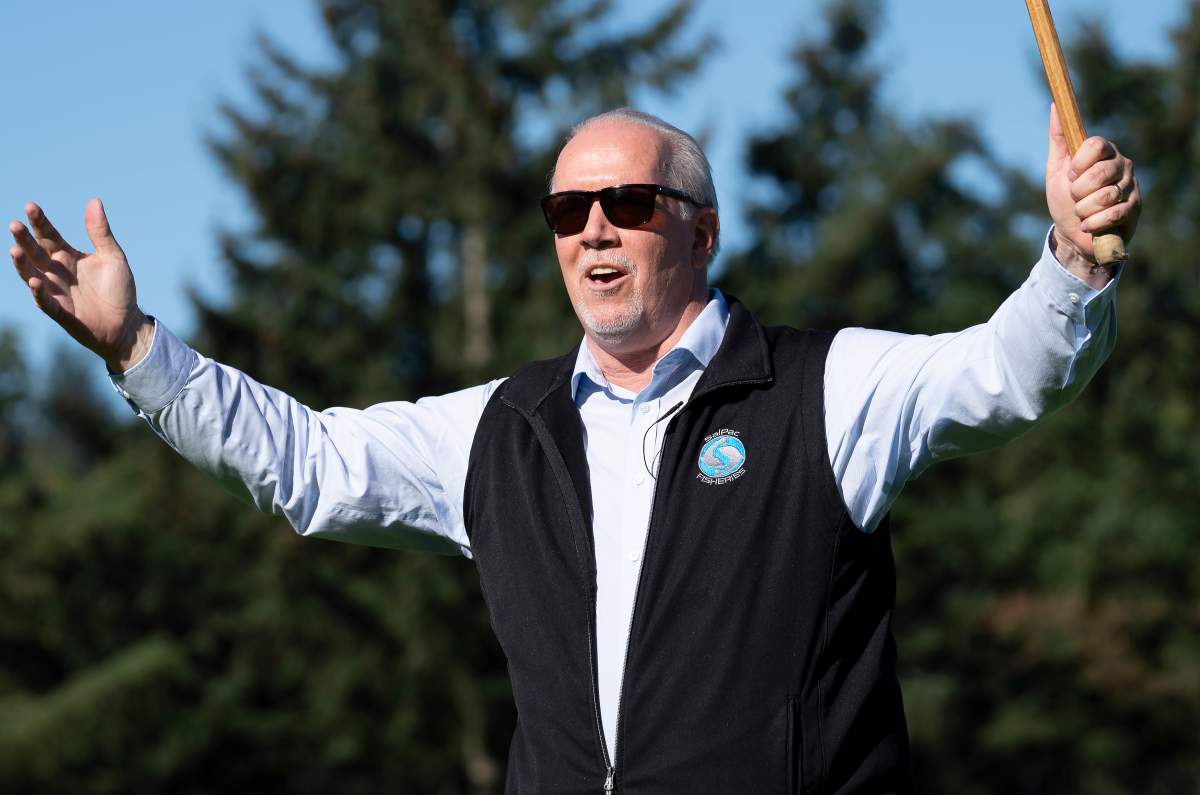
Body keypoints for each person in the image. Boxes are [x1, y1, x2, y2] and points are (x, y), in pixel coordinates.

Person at [8, 106, 1140, 793]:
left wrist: (1072, 261)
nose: (592, 228)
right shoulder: (504, 428)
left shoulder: (825, 387)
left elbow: (1014, 372)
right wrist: (138, 349)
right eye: (566, 212)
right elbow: (307, 466)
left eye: (627, 203)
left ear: (699, 229)